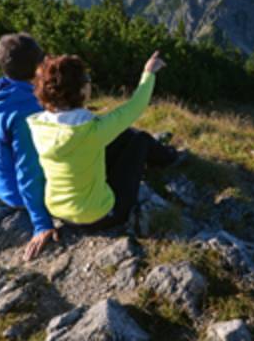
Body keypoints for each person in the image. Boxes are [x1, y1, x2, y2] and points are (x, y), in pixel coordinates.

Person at [27, 51, 177, 230]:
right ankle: (170, 157)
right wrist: (149, 72)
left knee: (125, 135)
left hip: (58, 212)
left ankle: (161, 153)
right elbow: (136, 105)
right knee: (140, 139)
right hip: (101, 215)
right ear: (81, 90)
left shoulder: (38, 126)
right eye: (87, 78)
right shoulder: (92, 131)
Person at [0, 33, 58, 261]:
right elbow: (28, 170)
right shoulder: (26, 111)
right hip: (15, 192)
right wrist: (41, 223)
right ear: (37, 65)